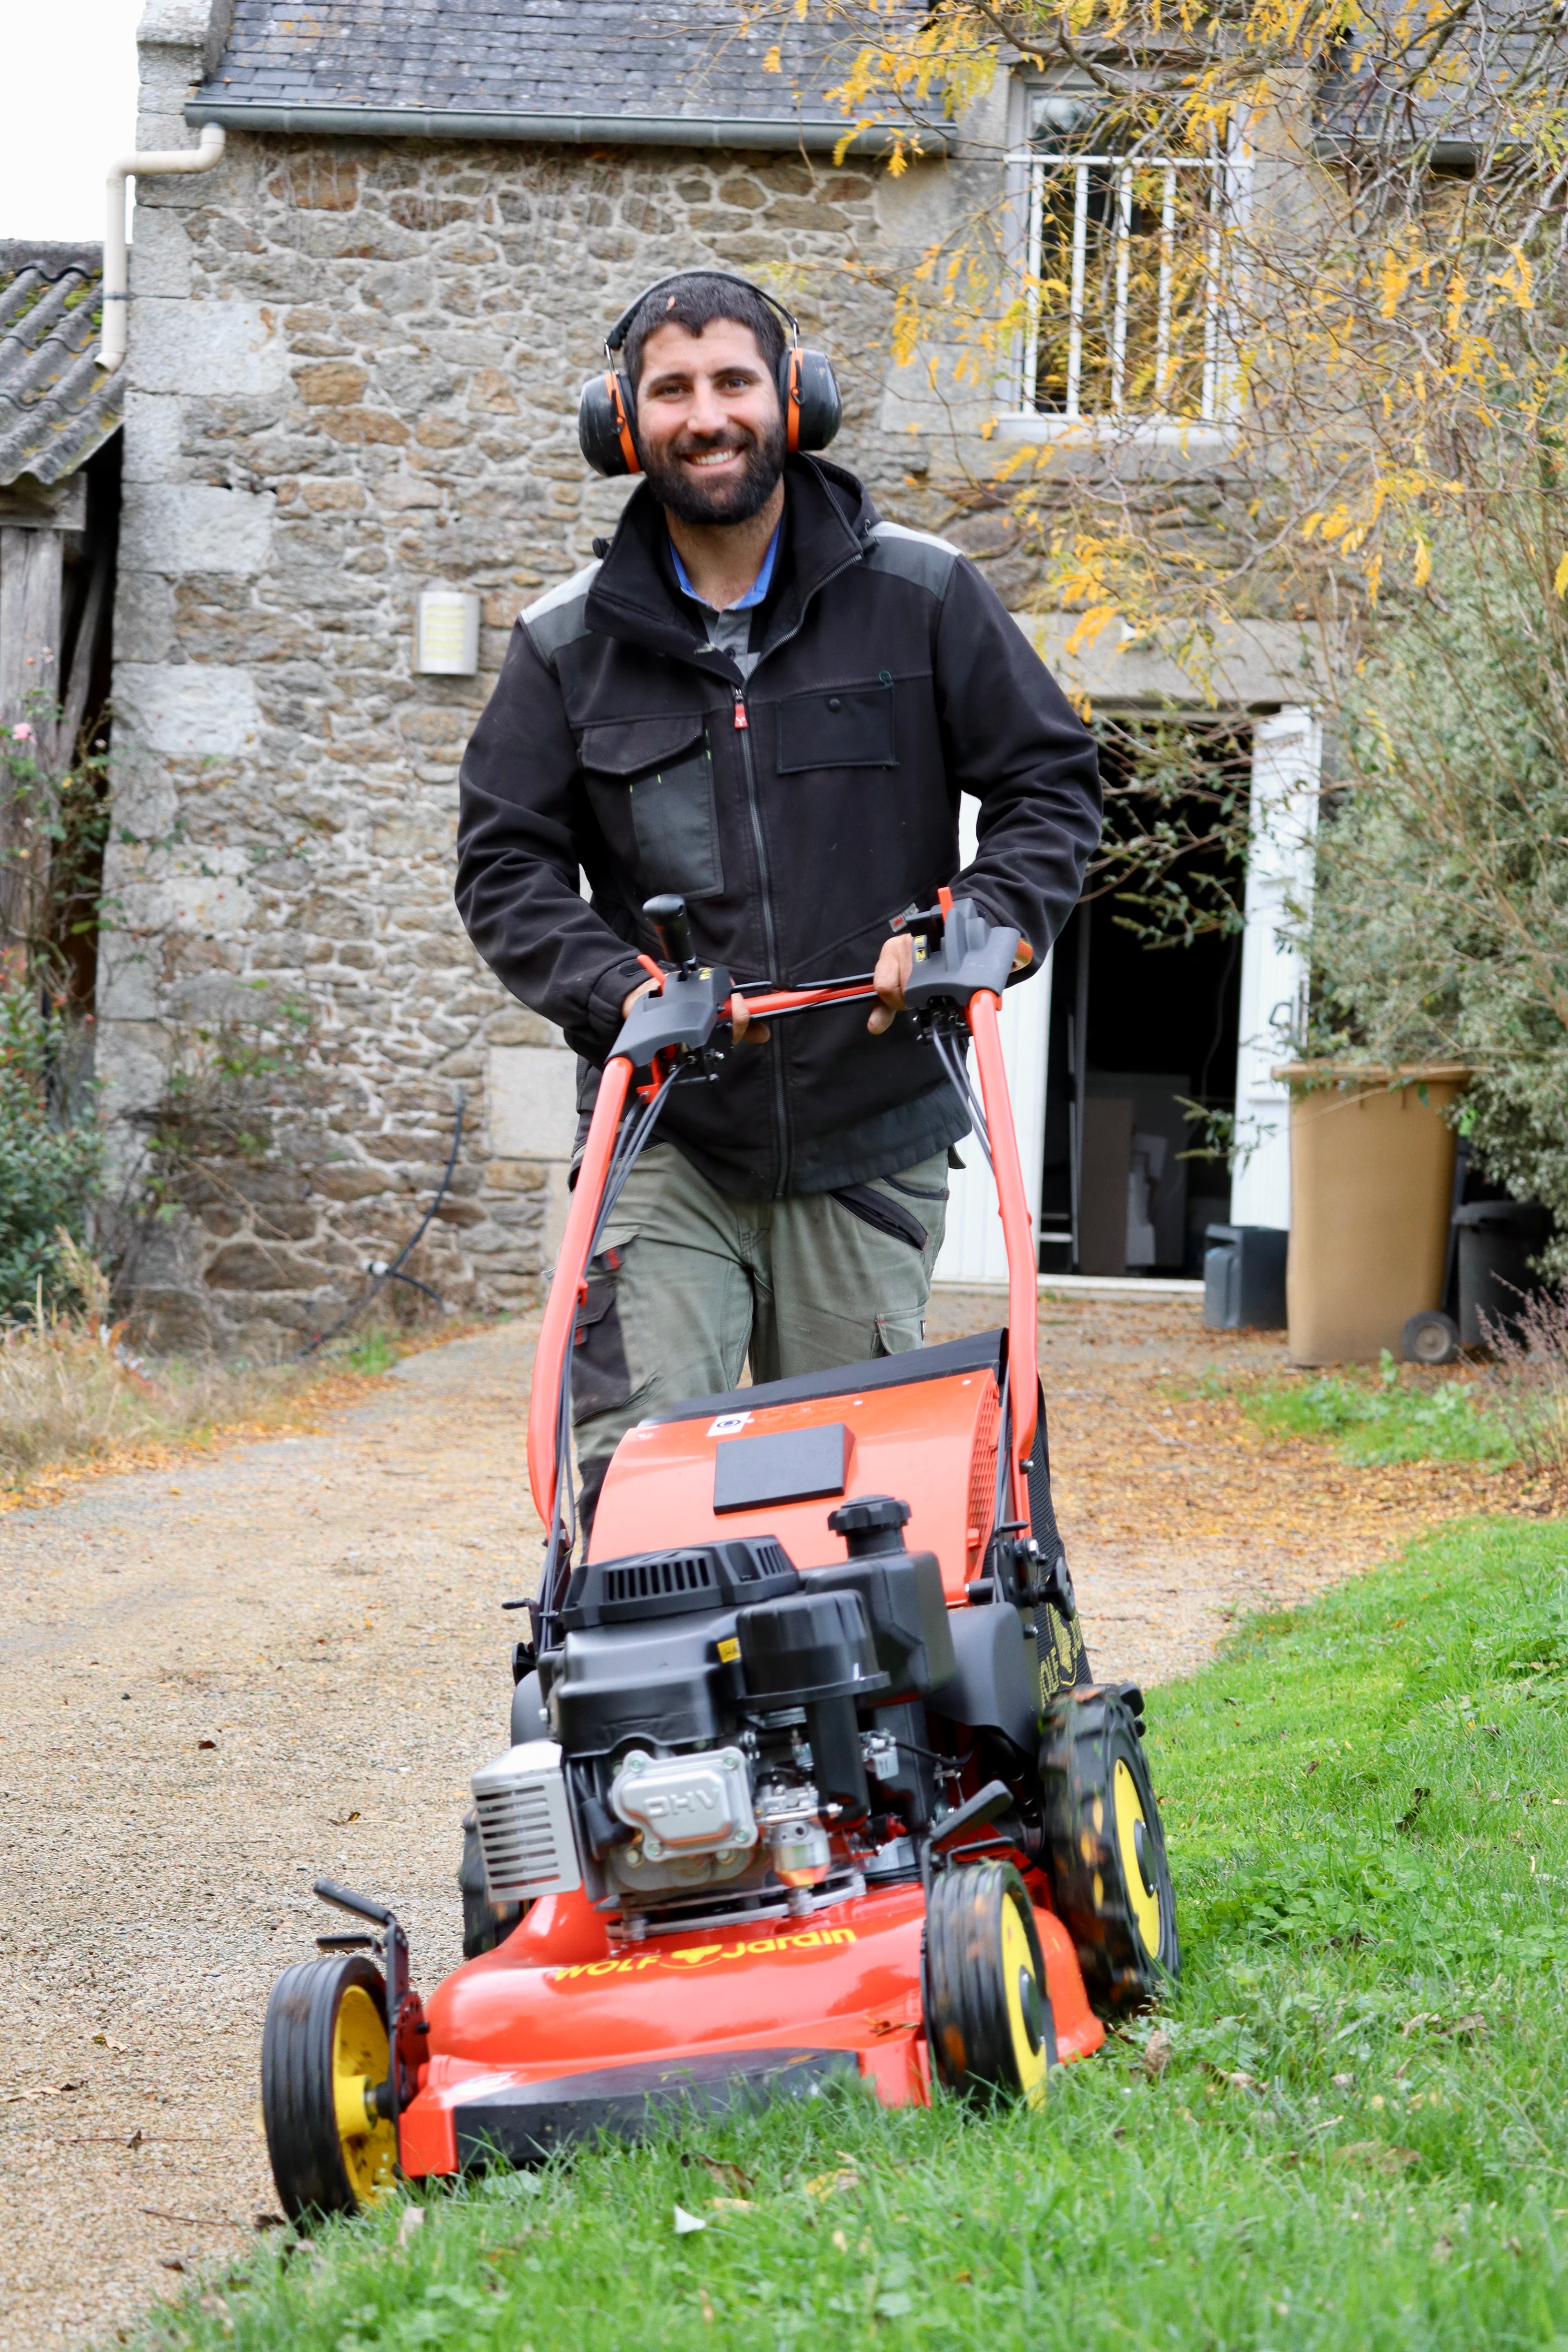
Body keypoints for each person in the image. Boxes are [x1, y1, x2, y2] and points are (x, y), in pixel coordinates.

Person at [456, 270, 1101, 1525]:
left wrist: (975, 931)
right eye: (673, 390)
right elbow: (505, 865)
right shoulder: (564, 645)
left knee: (864, 1520)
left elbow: (1049, 784)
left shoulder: (921, 596)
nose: (708, 416)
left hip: (869, 1140)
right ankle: (655, 1726)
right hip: (664, 1139)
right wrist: (622, 989)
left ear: (794, 398)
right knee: (645, 1500)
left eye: (734, 382)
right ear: (623, 423)